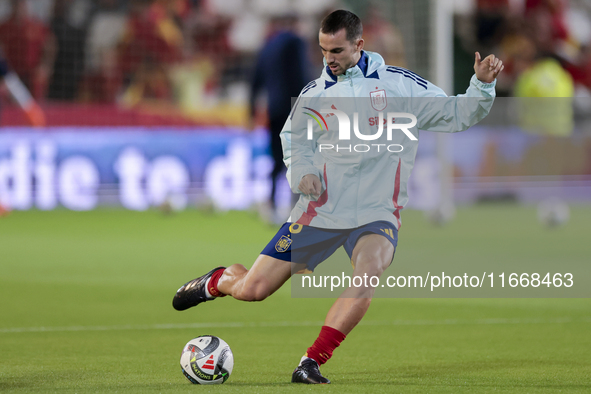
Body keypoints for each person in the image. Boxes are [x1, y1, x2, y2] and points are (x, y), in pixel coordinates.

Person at [172, 10, 504, 384]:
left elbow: (454, 114)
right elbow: (295, 142)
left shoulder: (398, 86)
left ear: (359, 45)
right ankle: (217, 281)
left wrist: (481, 86)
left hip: (378, 213)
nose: (328, 58)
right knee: (254, 290)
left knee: (368, 274)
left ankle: (310, 361)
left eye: (336, 50)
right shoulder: (314, 96)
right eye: (323, 49)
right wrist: (304, 173)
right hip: (321, 212)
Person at [249, 15, 311, 222]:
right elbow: (301, 75)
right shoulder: (296, 43)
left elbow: (255, 80)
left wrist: (250, 111)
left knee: (277, 159)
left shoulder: (267, 47)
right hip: (295, 108)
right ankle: (297, 207)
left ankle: (272, 205)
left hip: (274, 110)